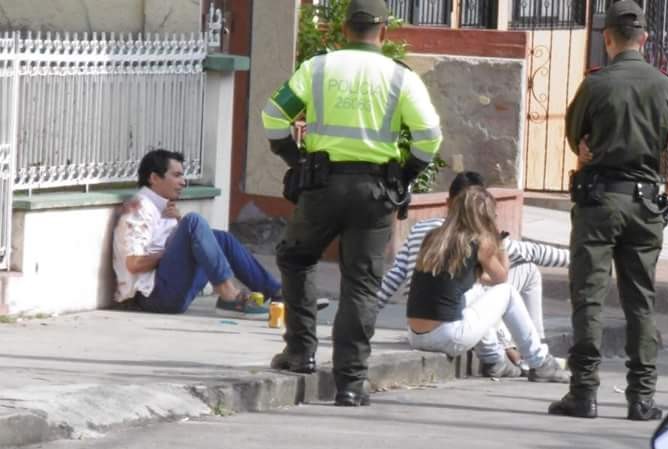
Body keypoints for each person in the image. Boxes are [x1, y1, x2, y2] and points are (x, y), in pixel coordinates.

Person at [261, 0, 443, 406]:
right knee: (361, 284)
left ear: (343, 30)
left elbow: (273, 116)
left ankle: (300, 352)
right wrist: (404, 175)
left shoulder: (319, 68)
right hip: (376, 192)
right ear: (382, 33)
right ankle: (351, 384)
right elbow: (430, 137)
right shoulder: (401, 77)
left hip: (322, 187)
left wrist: (297, 161)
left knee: (296, 257)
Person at [548, 1, 668, 421]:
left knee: (589, 297)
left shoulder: (596, 85)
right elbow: (664, 142)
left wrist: (590, 149)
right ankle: (641, 398)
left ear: (606, 39)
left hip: (600, 200)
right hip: (644, 203)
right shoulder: (664, 86)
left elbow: (575, 136)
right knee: (641, 300)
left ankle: (583, 392)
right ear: (645, 39)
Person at [378, 171, 571, 378]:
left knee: (475, 292)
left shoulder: (432, 237)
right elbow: (502, 279)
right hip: (447, 337)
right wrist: (499, 242)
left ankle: (495, 360)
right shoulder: (480, 242)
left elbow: (466, 282)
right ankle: (540, 361)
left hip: (416, 335)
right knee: (506, 293)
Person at [113, 149, 283, 318]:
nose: (183, 182)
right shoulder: (139, 208)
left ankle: (277, 293)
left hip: (171, 289)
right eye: (177, 175)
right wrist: (171, 252)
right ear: (154, 178)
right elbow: (133, 264)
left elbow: (171, 245)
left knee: (222, 239)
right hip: (153, 297)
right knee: (193, 222)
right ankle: (229, 295)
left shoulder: (164, 207)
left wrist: (179, 232)